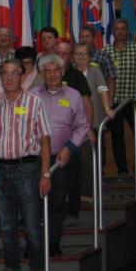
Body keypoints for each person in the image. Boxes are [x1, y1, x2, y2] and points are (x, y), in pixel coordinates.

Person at [0, 59, 51, 271]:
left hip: (28, 170)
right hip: (0, 171)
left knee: (31, 225)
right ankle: (12, 269)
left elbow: (45, 140)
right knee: (8, 225)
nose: (9, 78)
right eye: (5, 74)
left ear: (22, 76)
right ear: (0, 77)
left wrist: (46, 174)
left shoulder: (34, 102)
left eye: (14, 73)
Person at [32, 54, 89, 257]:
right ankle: (35, 246)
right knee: (34, 205)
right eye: (47, 71)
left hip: (62, 159)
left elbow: (82, 127)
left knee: (57, 203)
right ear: (42, 74)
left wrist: (69, 149)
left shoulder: (73, 95)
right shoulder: (33, 95)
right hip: (36, 159)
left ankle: (53, 243)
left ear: (62, 71)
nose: (52, 75)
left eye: (56, 70)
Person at [103, 19, 136, 181]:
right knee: (117, 137)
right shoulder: (106, 51)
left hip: (133, 100)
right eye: (117, 29)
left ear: (128, 31)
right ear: (113, 32)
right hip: (114, 102)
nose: (120, 32)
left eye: (123, 29)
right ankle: (122, 171)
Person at [71, 43, 115, 217]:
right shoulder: (70, 74)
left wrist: (107, 108)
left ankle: (90, 192)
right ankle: (79, 192)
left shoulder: (95, 71)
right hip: (73, 126)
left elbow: (103, 90)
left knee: (87, 158)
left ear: (89, 56)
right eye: (77, 54)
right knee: (77, 160)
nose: (80, 57)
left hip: (92, 123)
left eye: (84, 54)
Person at [79, 25, 116, 93]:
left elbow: (110, 80)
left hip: (99, 97)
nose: (84, 39)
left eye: (87, 37)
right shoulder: (74, 56)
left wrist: (110, 102)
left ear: (93, 38)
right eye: (82, 37)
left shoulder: (103, 55)